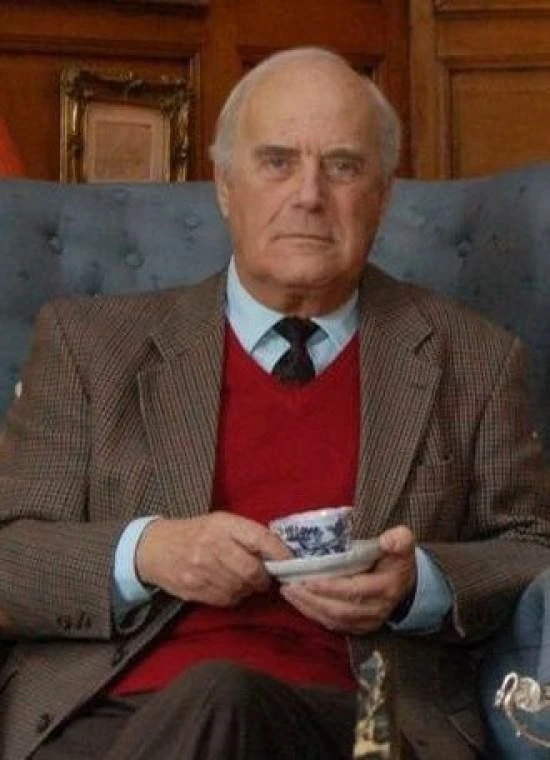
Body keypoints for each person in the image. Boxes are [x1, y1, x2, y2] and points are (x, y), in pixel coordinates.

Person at [0, 46, 549, 760]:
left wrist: (421, 584)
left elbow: (530, 550)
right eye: (278, 162)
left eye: (343, 167)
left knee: (223, 694)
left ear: (383, 196)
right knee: (212, 697)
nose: (309, 194)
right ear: (225, 185)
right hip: (107, 717)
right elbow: (10, 555)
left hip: (359, 723)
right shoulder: (91, 346)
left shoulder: (471, 358)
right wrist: (147, 552)